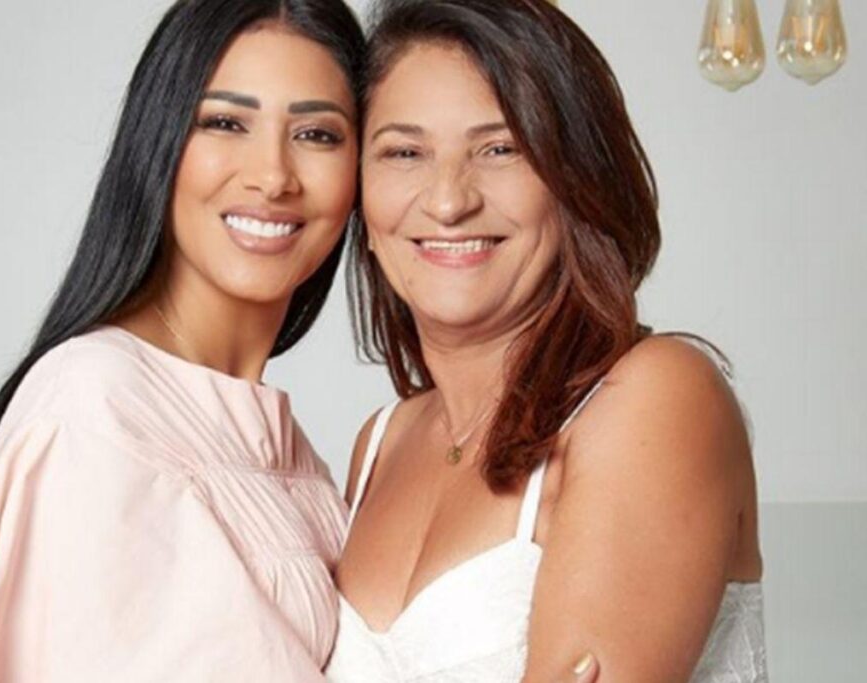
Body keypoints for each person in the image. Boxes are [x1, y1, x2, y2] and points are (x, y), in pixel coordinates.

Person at [0, 1, 365, 680]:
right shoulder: (96, 408)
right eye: (225, 123)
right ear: (159, 141)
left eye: (317, 134)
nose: (273, 176)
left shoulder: (296, 460)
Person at [327, 0, 767, 681]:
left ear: (575, 178)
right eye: (405, 152)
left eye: (500, 149)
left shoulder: (655, 397)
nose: (448, 201)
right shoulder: (379, 444)